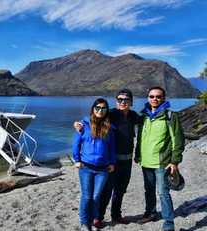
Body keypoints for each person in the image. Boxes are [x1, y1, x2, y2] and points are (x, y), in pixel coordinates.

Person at [74, 89, 140, 228]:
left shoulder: (134, 116)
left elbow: (147, 123)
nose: (123, 102)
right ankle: (98, 217)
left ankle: (116, 215)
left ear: (131, 102)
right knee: (105, 191)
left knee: (121, 190)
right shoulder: (110, 114)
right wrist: (79, 123)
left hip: (127, 160)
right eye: (120, 99)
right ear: (116, 101)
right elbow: (94, 116)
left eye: (126, 100)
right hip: (111, 161)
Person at [135, 86, 185, 231]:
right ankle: (150, 213)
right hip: (146, 161)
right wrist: (138, 155)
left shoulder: (170, 116)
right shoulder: (143, 116)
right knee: (149, 190)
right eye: (152, 96)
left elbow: (178, 140)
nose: (155, 99)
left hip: (162, 162)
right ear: (147, 98)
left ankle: (169, 223)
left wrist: (175, 161)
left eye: (158, 96)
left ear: (163, 98)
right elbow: (140, 139)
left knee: (163, 193)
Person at [72, 98, 116, 231]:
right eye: (97, 108)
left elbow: (112, 147)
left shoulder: (109, 127)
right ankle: (84, 222)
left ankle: (94, 220)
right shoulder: (84, 125)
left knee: (97, 196)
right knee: (87, 196)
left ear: (106, 110)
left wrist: (112, 162)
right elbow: (76, 144)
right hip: (85, 167)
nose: (100, 111)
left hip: (103, 169)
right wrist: (77, 160)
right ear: (93, 109)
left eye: (103, 108)